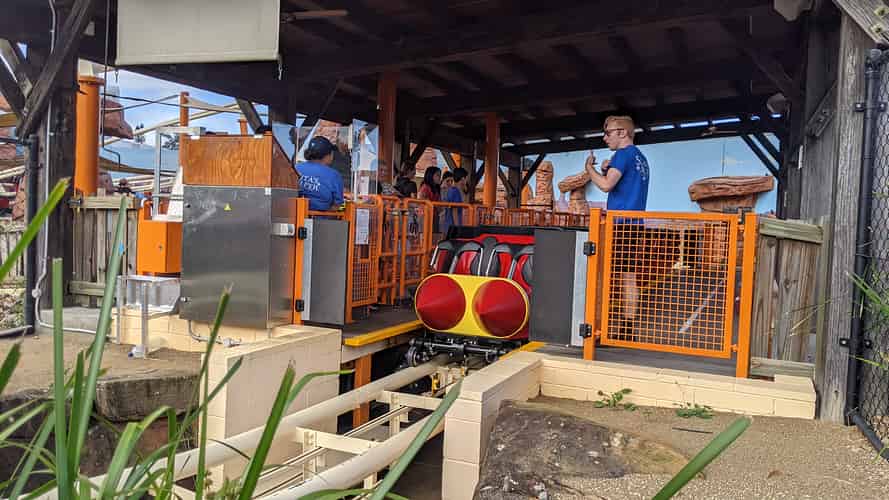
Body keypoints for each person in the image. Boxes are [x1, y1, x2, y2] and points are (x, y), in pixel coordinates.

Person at [583, 115, 650, 340]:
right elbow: (623, 185)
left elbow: (606, 185)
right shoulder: (640, 158)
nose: (605, 138)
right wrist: (606, 169)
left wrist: (589, 168)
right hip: (635, 225)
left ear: (622, 132)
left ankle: (597, 328)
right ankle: (627, 330)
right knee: (628, 277)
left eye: (608, 133)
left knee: (602, 273)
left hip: (619, 225)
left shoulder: (622, 155)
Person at [295, 136, 345, 211]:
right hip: (319, 217)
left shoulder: (296, 167)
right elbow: (337, 205)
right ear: (328, 155)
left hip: (293, 215)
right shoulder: (334, 175)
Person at [441, 167, 468, 238]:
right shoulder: (456, 192)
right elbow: (454, 210)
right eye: (466, 178)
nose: (466, 180)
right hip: (453, 226)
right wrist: (457, 228)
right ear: (463, 179)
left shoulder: (451, 190)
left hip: (448, 225)